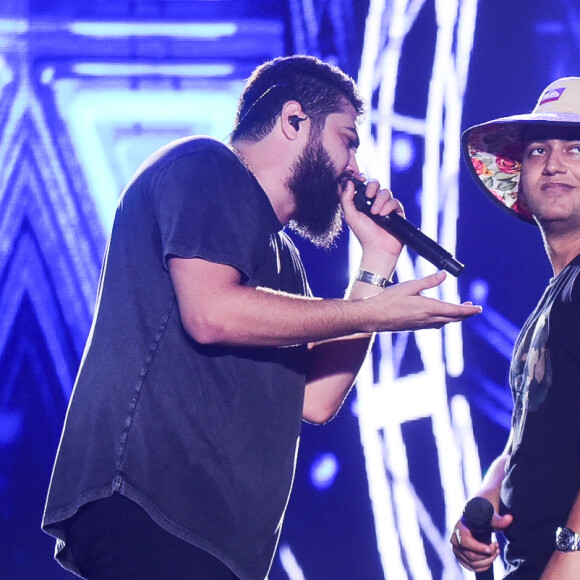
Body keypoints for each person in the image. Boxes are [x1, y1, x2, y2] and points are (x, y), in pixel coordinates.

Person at [42, 54, 480, 580]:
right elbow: (210, 311)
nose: (355, 169)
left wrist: (378, 262)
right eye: (348, 139)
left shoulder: (284, 260)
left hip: (218, 543)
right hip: (153, 507)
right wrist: (375, 314)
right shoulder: (204, 167)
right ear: (294, 120)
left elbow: (317, 400)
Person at [451, 77, 580, 578]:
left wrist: (571, 549)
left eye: (576, 148)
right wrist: (491, 489)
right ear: (519, 176)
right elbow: (534, 432)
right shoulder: (554, 299)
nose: (553, 163)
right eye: (538, 151)